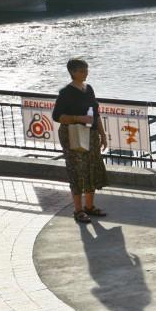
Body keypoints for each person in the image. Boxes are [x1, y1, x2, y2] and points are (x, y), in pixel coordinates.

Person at [51, 58, 108, 224]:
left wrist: (102, 135)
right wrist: (78, 118)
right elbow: (57, 116)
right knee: (77, 169)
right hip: (72, 134)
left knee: (93, 167)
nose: (86, 73)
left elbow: (95, 114)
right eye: (82, 70)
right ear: (73, 72)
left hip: (90, 134)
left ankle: (89, 206)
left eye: (86, 69)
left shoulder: (88, 89)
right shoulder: (66, 93)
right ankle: (78, 210)